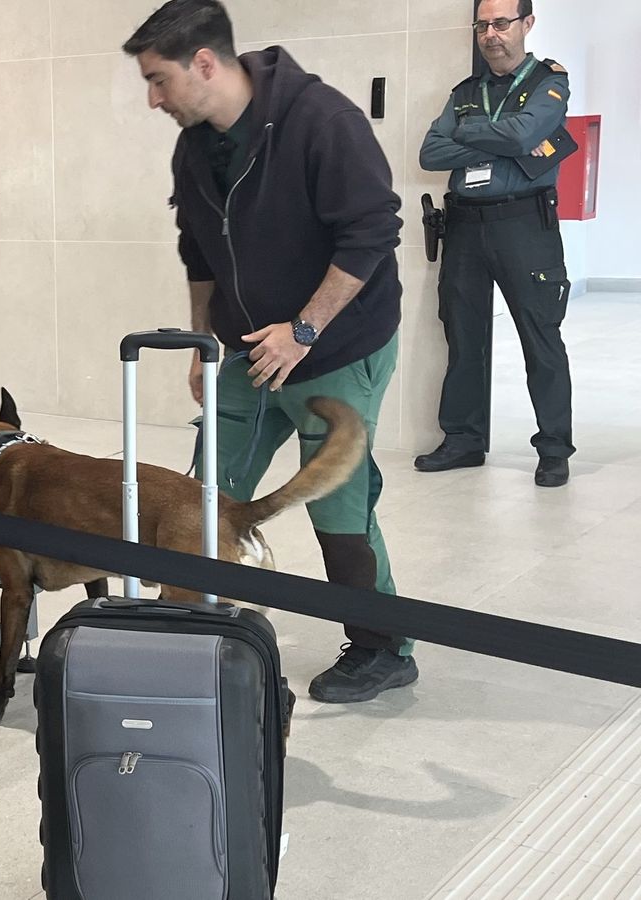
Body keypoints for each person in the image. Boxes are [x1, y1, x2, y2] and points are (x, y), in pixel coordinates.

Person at [124, 0, 416, 703]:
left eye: (158, 80)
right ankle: (194, 623)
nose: (152, 98)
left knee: (337, 508)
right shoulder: (196, 143)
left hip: (337, 347)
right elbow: (197, 250)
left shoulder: (322, 122)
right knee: (204, 493)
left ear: (204, 64)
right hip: (251, 352)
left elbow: (371, 235)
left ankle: (383, 646)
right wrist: (202, 341)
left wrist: (304, 330)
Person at [414, 0, 574, 487]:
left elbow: (528, 133)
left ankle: (553, 449)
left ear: (526, 24)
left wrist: (470, 132)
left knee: (540, 337)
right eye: (483, 24)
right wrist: (498, 138)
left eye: (502, 23)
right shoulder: (465, 91)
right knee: (462, 337)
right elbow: (430, 151)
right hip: (464, 226)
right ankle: (463, 440)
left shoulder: (549, 81)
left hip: (525, 224)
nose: (491, 34)